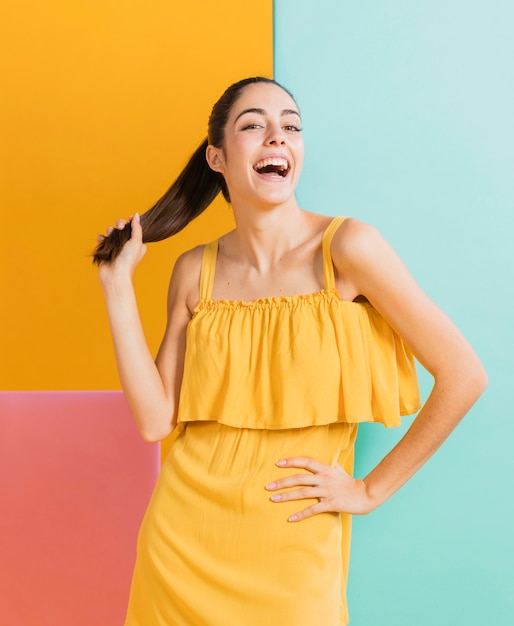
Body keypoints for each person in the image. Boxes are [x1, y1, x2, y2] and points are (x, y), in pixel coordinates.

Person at [94, 76, 487, 626]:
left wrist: (370, 490)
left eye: (292, 127)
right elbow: (156, 420)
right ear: (217, 157)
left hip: (297, 550)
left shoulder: (348, 249)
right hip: (181, 545)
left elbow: (465, 375)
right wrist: (117, 289)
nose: (277, 137)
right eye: (253, 125)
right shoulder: (194, 272)